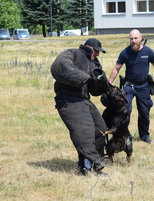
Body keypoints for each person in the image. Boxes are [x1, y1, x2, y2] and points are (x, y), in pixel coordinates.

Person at [51, 38, 109, 176]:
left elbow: (95, 90)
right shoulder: (73, 53)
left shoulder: (94, 62)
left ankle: (96, 162)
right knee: (85, 132)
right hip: (68, 99)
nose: (98, 54)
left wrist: (100, 82)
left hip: (83, 99)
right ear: (88, 47)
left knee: (100, 128)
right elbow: (60, 64)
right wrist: (84, 77)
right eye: (96, 51)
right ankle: (86, 169)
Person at [108, 29, 154, 144]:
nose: (133, 41)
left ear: (140, 38)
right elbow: (116, 68)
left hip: (143, 86)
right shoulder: (125, 53)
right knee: (124, 109)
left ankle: (144, 136)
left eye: (135, 38)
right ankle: (123, 134)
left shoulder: (148, 51)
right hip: (129, 86)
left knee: (144, 112)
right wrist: (108, 85)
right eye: (131, 39)